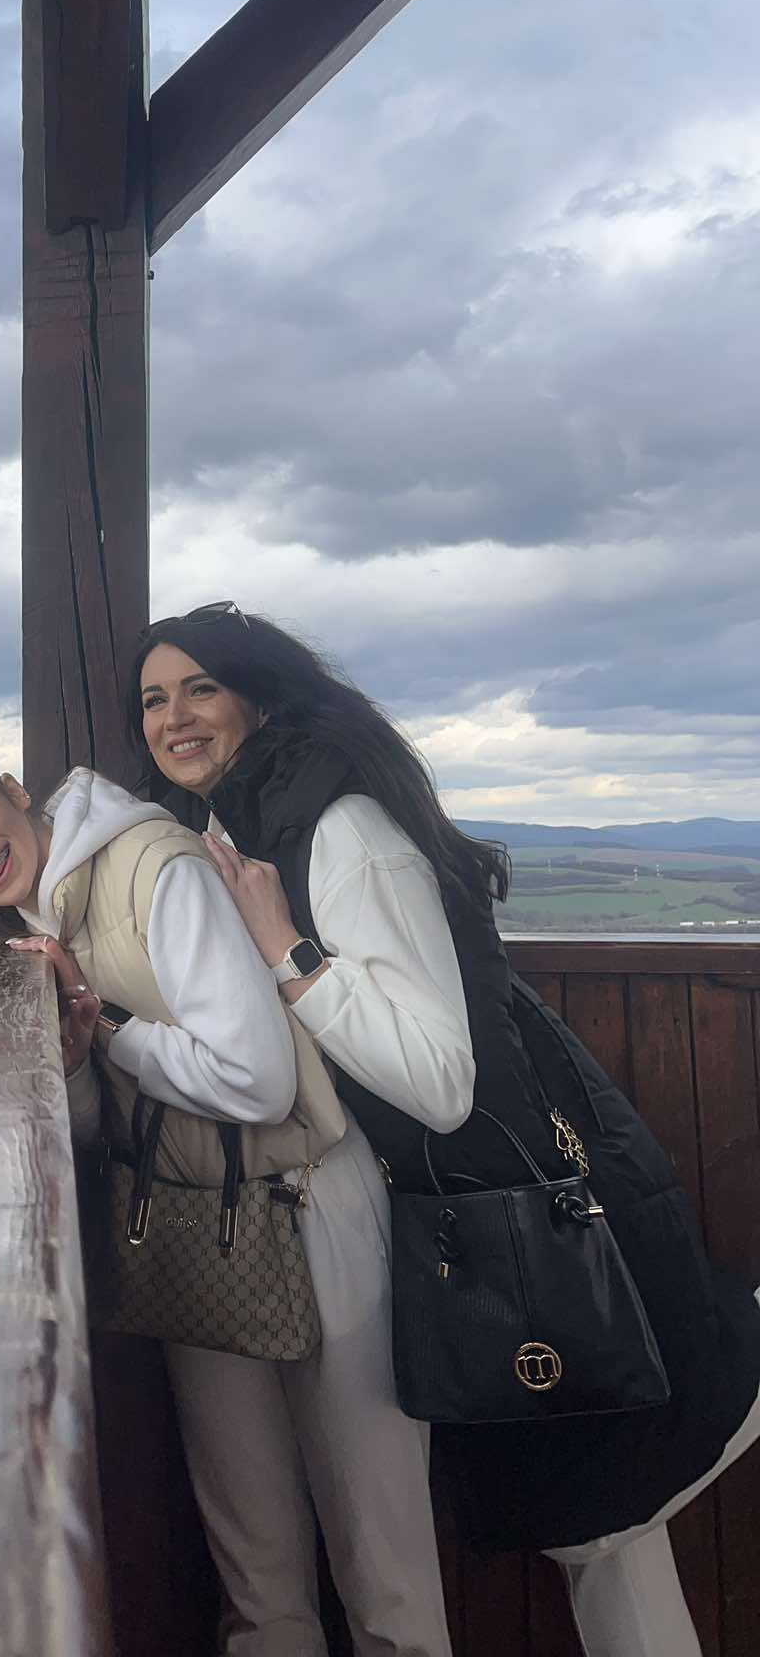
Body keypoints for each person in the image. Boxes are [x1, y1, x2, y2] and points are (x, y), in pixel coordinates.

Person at [131, 602, 760, 1657]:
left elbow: (438, 1082)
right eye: (154, 699)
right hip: (488, 1222)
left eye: (200, 688)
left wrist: (287, 952)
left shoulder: (341, 830)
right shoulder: (255, 823)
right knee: (600, 1522)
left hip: (527, 1208)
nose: (173, 717)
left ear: (260, 700)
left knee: (604, 1510)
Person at [0, 741, 456, 1657]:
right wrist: (73, 1061)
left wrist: (105, 1023)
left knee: (382, 1564)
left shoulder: (154, 868)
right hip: (194, 1224)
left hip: (306, 1204)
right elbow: (110, 1123)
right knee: (256, 1571)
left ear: (15, 793)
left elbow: (258, 1080)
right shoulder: (34, 925)